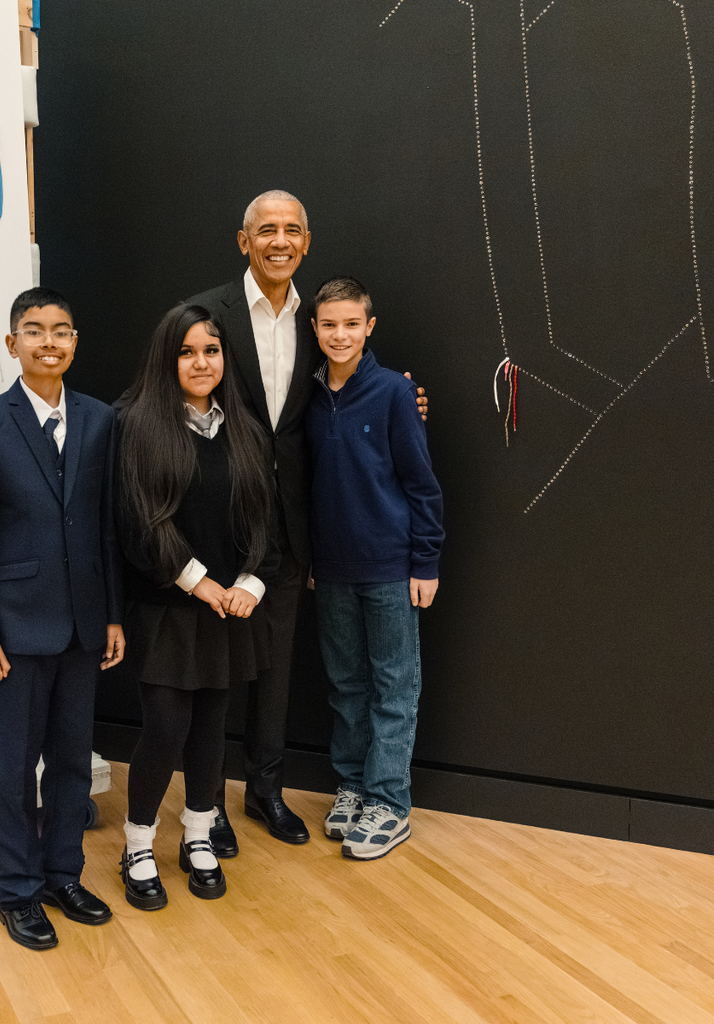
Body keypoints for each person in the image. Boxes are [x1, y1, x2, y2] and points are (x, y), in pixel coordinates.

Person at [187, 190, 428, 854]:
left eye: (292, 229)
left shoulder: (315, 322)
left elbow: (350, 390)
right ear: (245, 241)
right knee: (218, 671)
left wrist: (406, 401)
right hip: (222, 521)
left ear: (306, 241)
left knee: (277, 670)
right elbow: (167, 388)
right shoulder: (207, 314)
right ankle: (207, 803)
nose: (280, 240)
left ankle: (265, 790)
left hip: (295, 529)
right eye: (266, 229)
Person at [0, 287, 125, 950]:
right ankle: (19, 891)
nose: (48, 342)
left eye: (60, 331)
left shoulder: (99, 420)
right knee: (13, 767)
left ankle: (62, 875)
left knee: (72, 763)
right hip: (16, 628)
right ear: (12, 344)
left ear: (74, 342)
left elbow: (106, 529)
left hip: (83, 624)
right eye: (34, 330)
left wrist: (112, 615)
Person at [115, 304, 277, 909]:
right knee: (166, 726)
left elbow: (265, 521)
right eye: (186, 352)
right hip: (167, 605)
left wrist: (249, 584)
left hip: (228, 607)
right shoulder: (137, 425)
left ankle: (199, 834)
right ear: (168, 358)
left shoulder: (245, 430)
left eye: (211, 350)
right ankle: (138, 843)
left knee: (211, 727)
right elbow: (138, 524)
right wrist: (198, 581)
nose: (200, 362)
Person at [306, 276, 443, 860]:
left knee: (393, 687)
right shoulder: (308, 397)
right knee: (345, 685)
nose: (340, 335)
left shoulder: (393, 392)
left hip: (390, 567)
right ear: (315, 328)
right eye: (329, 324)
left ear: (369, 327)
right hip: (331, 571)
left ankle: (389, 801)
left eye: (351, 324)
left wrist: (425, 561)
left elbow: (421, 484)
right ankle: (354, 785)